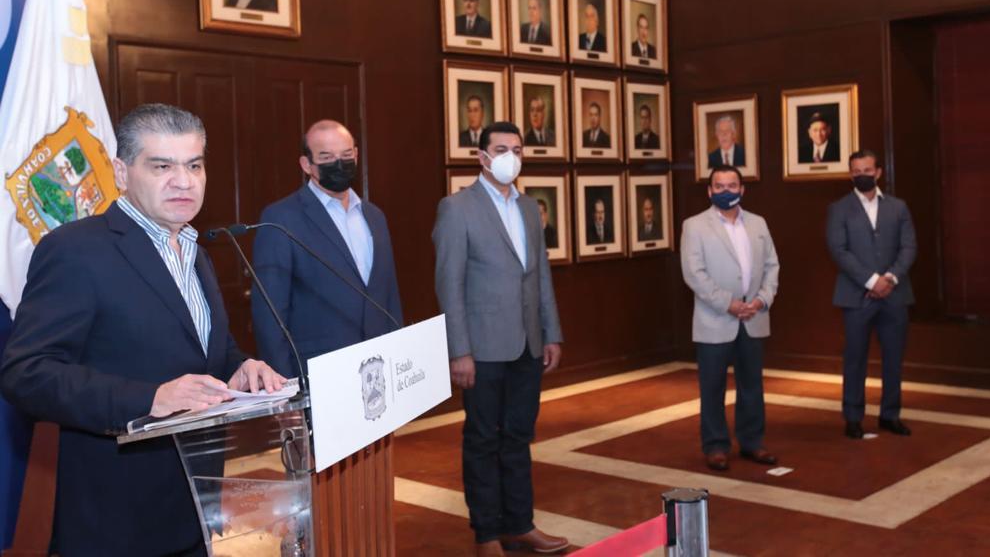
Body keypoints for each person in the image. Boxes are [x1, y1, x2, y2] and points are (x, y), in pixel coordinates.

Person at [0, 104, 285, 555]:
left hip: (196, 505)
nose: (184, 181)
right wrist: (149, 399)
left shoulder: (197, 251)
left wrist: (240, 367)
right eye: (162, 166)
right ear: (121, 172)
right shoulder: (75, 250)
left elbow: (205, 349)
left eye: (194, 165)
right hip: (117, 520)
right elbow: (26, 373)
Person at [432, 121, 567, 557]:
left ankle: (520, 525)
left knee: (518, 437)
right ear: (482, 157)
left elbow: (540, 275)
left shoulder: (528, 207)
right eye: (502, 149)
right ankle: (486, 533)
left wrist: (551, 332)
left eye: (517, 149)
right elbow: (449, 284)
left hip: (528, 343)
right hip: (483, 348)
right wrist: (459, 351)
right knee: (482, 440)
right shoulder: (457, 208)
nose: (511, 156)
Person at [251, 120, 403, 377]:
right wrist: (286, 387)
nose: (339, 164)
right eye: (326, 157)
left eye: (346, 155)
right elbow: (270, 314)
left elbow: (389, 295)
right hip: (319, 371)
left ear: (356, 155)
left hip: (379, 367)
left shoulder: (375, 216)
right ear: (306, 164)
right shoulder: (280, 219)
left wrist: (398, 358)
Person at [680, 165, 780, 472]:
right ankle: (716, 446)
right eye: (720, 186)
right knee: (712, 387)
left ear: (742, 189)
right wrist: (729, 304)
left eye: (732, 185)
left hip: (753, 317)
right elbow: (694, 274)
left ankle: (752, 442)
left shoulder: (758, 223)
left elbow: (772, 266)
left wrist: (762, 299)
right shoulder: (695, 226)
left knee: (752, 386)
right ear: (710, 191)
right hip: (715, 319)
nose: (726, 191)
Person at [826, 150, 917, 439]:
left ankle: (890, 415)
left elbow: (909, 247)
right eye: (856, 171)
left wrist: (889, 278)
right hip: (856, 296)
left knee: (893, 358)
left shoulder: (898, 207)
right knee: (855, 358)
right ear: (850, 174)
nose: (861, 175)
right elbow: (838, 250)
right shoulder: (839, 208)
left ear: (878, 172)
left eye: (867, 170)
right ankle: (853, 418)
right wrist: (871, 280)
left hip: (895, 294)